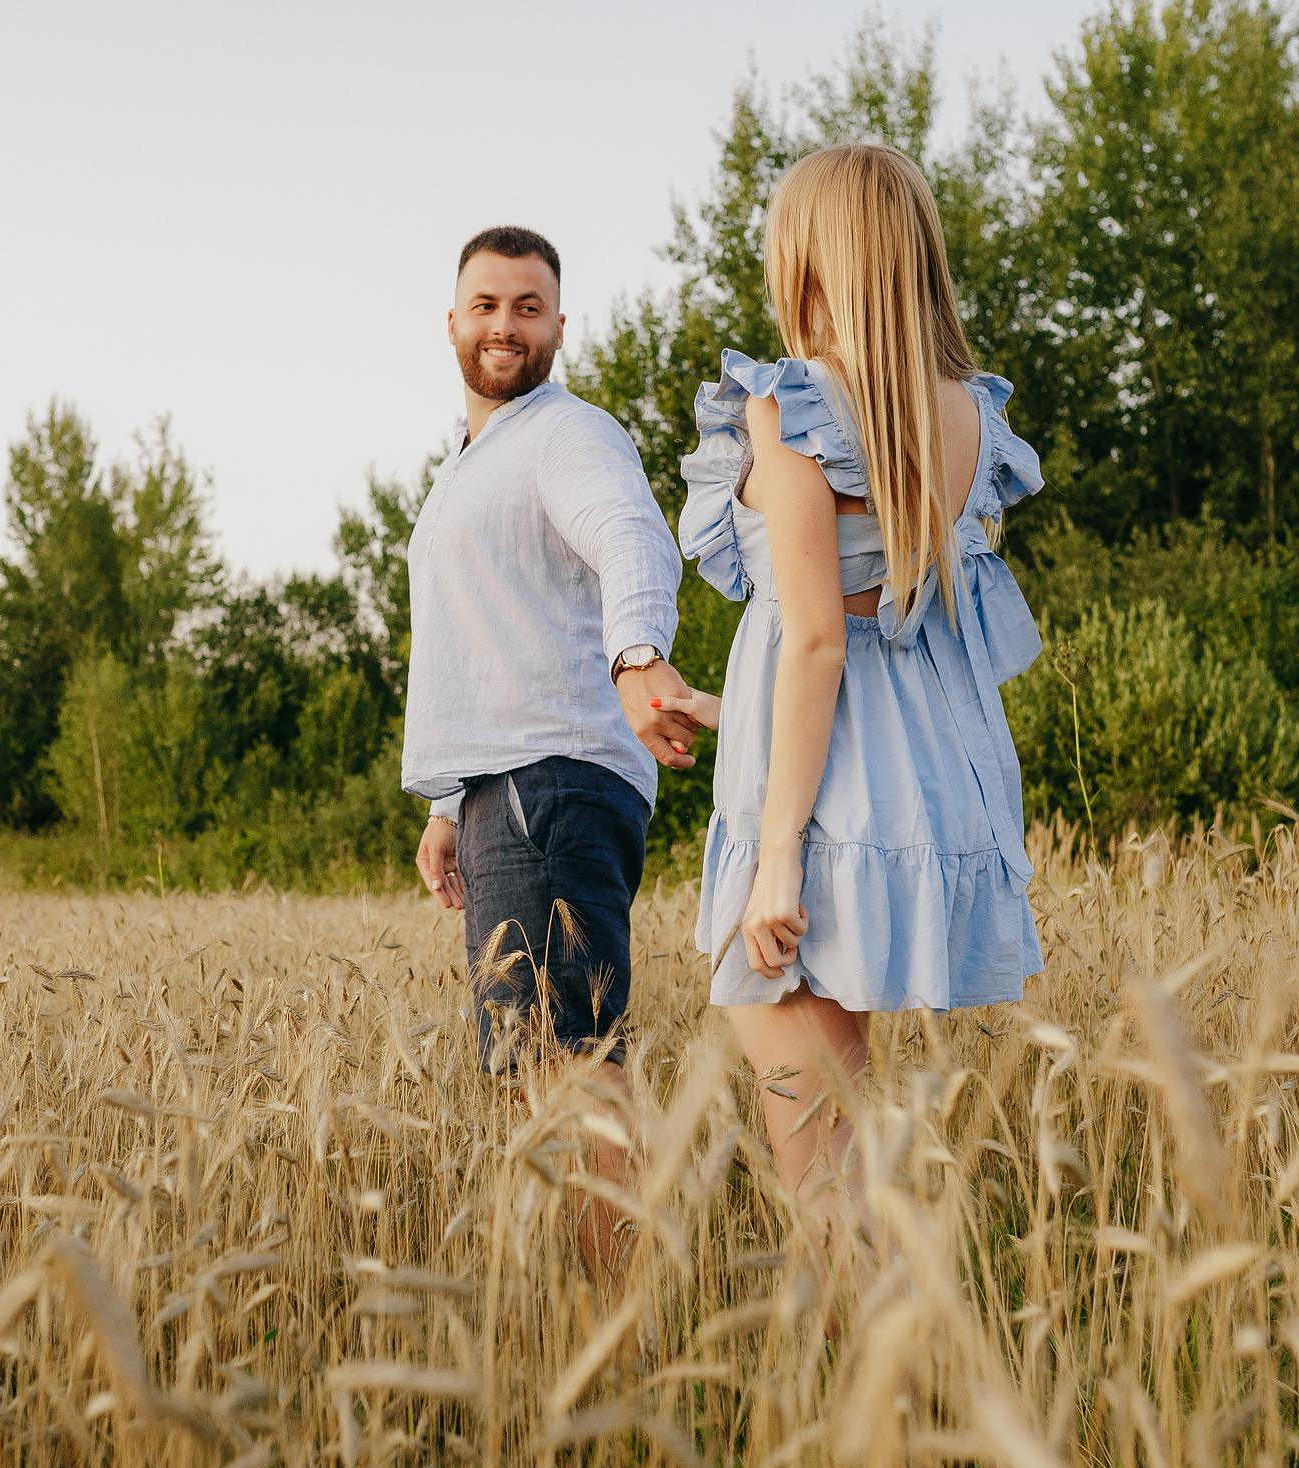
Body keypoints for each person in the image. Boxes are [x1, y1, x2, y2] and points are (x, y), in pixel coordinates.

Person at [666, 144, 1047, 1263]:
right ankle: (896, 1392)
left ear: (810, 252)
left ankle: (868, 1407)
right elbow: (896, 634)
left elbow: (821, 638)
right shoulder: (969, 415)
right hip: (906, 786)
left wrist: (776, 851)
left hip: (818, 806)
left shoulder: (791, 406)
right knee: (839, 1138)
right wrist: (722, 702)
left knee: (819, 1163)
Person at [399, 225, 700, 1275]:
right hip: (508, 788)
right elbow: (483, 640)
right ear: (451, 323)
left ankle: (623, 1329)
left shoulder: (565, 435)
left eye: (528, 306)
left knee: (576, 1071)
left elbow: (630, 533)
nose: (505, 325)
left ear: (559, 326)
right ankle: (602, 1315)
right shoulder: (478, 464)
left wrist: (636, 657)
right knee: (545, 1073)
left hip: (554, 781)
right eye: (486, 304)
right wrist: (448, 802)